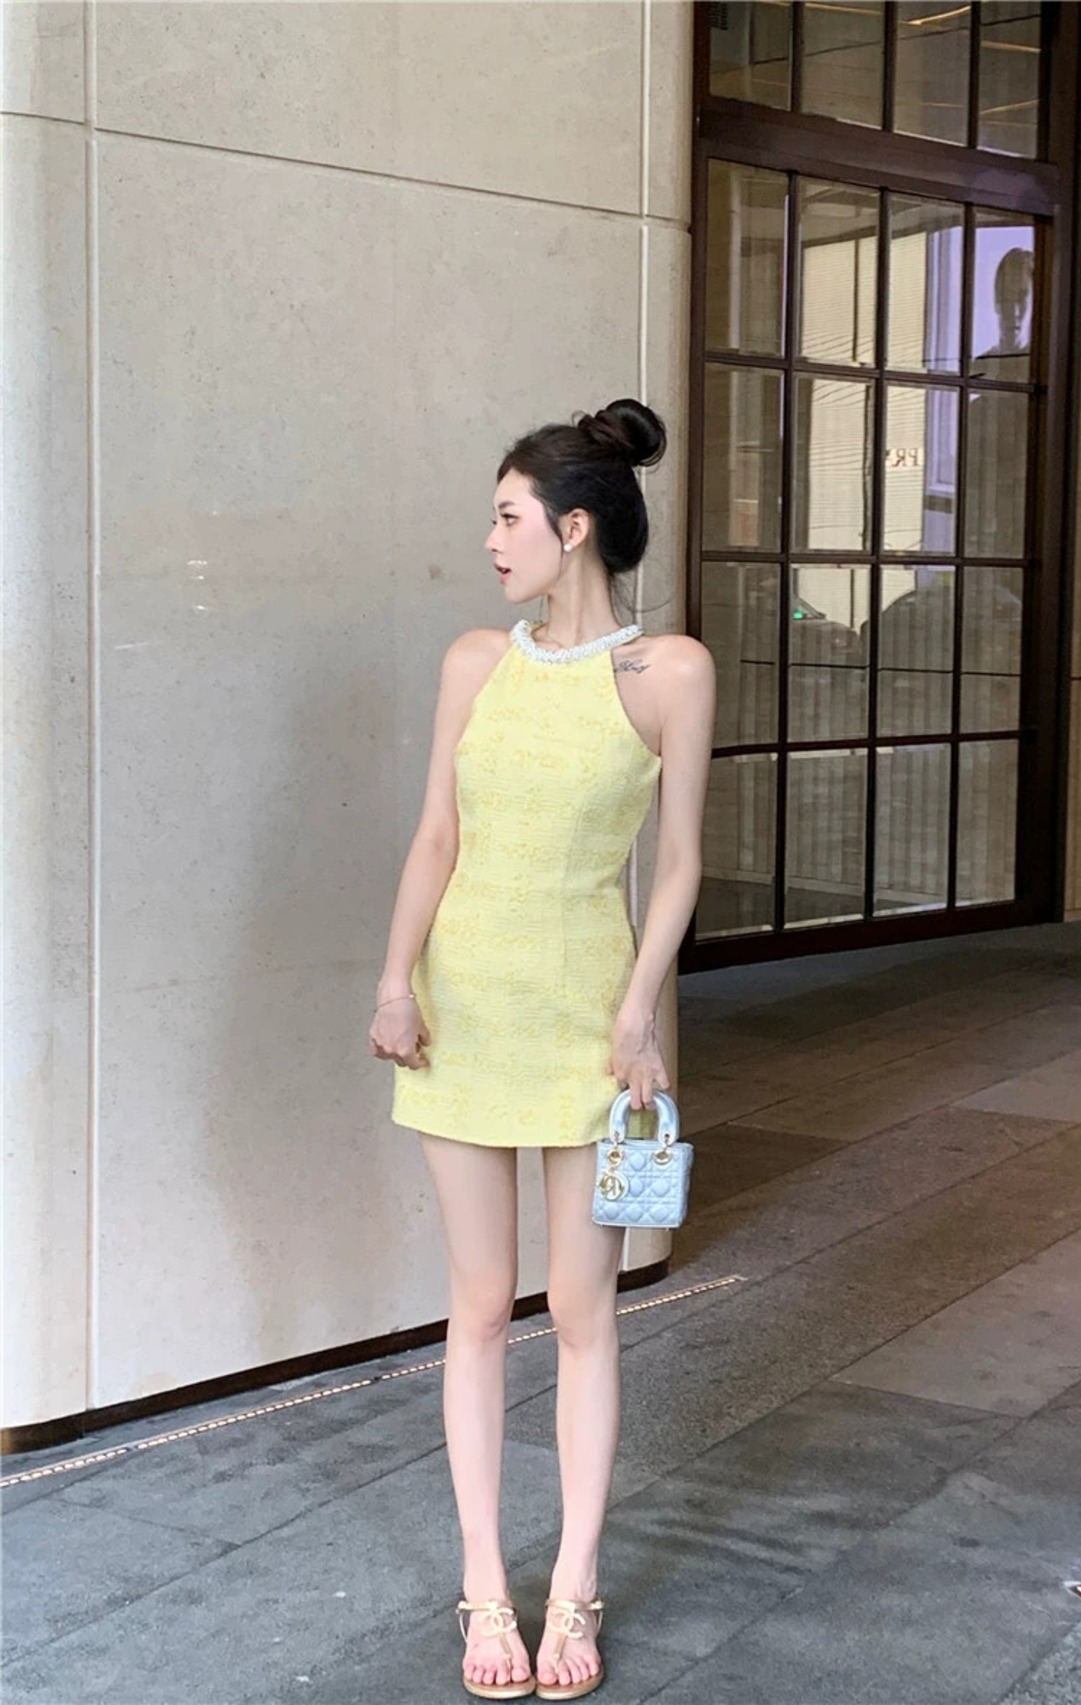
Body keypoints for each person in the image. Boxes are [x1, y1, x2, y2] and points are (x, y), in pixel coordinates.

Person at [368, 398, 715, 1702]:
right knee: (476, 1302)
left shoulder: (670, 673)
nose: (491, 539)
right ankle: (484, 1585)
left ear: (574, 528)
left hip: (590, 1029)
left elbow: (677, 864)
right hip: (463, 1013)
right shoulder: (475, 661)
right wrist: (394, 978)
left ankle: (573, 1584)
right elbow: (436, 838)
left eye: (508, 516)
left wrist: (639, 1011)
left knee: (580, 1310)